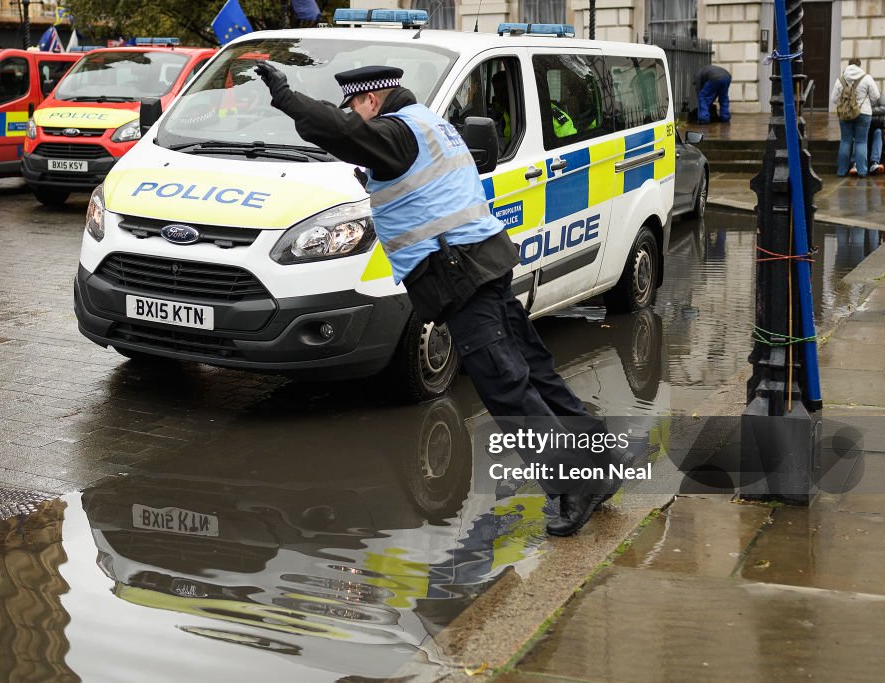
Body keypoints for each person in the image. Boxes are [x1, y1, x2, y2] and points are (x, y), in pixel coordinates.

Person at [255, 62, 616, 536]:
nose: (357, 119)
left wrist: (286, 96)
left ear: (369, 100)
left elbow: (339, 132)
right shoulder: (430, 123)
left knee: (505, 384)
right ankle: (598, 465)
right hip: (485, 264)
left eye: (356, 109)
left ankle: (572, 484)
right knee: (533, 371)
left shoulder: (395, 133)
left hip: (460, 276)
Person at [830, 58, 881, 177]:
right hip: (864, 113)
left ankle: (841, 171)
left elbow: (834, 99)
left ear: (848, 65)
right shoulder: (866, 78)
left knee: (845, 141)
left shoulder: (841, 79)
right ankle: (862, 171)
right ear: (859, 65)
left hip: (845, 114)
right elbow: (876, 96)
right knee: (861, 142)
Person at [868, 93, 885, 176]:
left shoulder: (879, 95)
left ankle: (874, 163)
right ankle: (855, 164)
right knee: (858, 135)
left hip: (876, 125)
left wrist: (869, 110)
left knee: (878, 132)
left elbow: (884, 108)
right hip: (863, 127)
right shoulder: (860, 94)